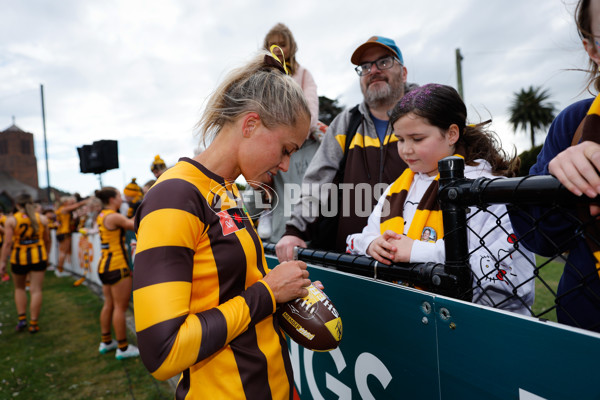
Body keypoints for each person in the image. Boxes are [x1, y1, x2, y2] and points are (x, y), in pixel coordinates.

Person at [133, 52, 315, 399]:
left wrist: (286, 296)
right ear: (250, 125)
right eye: (286, 148)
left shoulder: (225, 192)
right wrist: (268, 293)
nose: (287, 164)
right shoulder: (173, 195)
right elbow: (163, 352)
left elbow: (233, 295)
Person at [346, 84, 535, 314]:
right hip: (410, 316)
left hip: (478, 326)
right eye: (400, 139)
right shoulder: (396, 188)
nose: (405, 150)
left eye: (417, 138)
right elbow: (365, 235)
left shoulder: (485, 189)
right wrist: (373, 245)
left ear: (452, 134)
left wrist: (415, 251)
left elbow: (503, 272)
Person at [276, 35, 416, 260]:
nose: (373, 70)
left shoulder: (428, 114)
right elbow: (316, 184)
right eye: (365, 66)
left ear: (404, 72)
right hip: (351, 261)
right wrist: (295, 231)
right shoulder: (345, 123)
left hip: (417, 261)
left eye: (384, 62)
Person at [508, 0, 600, 331]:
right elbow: (541, 238)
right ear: (592, 49)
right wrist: (560, 182)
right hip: (583, 332)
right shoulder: (575, 122)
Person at [247, 23, 323, 242]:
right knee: (263, 184)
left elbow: (310, 108)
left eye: (282, 44)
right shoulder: (261, 76)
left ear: (291, 46)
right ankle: (267, 214)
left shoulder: (303, 74)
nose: (278, 48)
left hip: (298, 140)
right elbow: (255, 107)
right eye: (273, 44)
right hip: (269, 139)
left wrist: (294, 131)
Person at [94, 187, 139, 359]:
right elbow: (133, 224)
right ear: (112, 199)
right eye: (119, 196)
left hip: (104, 265)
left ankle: (106, 342)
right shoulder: (113, 216)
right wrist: (142, 207)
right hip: (117, 266)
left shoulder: (102, 214)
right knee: (120, 308)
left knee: (109, 304)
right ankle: (123, 347)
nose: (121, 199)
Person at [0, 193, 51, 333]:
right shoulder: (42, 219)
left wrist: (2, 261)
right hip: (38, 257)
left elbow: (7, 243)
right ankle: (33, 323)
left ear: (17, 205)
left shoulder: (11, 220)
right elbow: (47, 240)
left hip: (19, 258)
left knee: (19, 289)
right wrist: (46, 255)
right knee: (36, 290)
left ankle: (22, 319)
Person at [54, 195, 86, 276]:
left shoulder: (60, 209)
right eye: (69, 202)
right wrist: (86, 201)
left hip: (60, 232)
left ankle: (59, 269)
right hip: (65, 232)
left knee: (62, 252)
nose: (71, 204)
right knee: (63, 252)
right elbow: (77, 205)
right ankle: (59, 270)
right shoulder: (64, 209)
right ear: (65, 202)